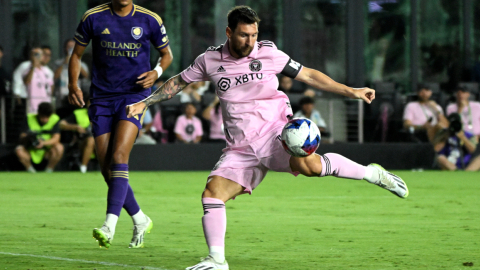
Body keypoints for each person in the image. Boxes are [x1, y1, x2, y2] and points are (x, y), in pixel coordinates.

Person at [126, 6, 408, 270]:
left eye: (254, 35)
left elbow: (308, 75)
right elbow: (178, 82)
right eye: (244, 35)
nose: (250, 41)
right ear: (229, 32)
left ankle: (373, 174)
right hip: (240, 148)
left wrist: (351, 91)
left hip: (278, 135)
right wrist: (146, 103)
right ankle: (217, 260)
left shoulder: (269, 54)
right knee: (212, 194)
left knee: (311, 167)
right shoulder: (209, 60)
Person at [68, 0, 173, 249]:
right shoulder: (93, 17)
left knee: (118, 156)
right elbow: (76, 55)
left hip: (134, 96)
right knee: (107, 170)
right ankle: (140, 218)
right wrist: (72, 84)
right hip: (102, 98)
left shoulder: (150, 19)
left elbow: (166, 55)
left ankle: (109, 225)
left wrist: (157, 72)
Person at [15, 102, 63, 173]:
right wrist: (30, 138)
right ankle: (31, 170)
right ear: (38, 113)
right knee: (19, 150)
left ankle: (49, 170)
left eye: (47, 117)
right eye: (43, 117)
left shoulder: (55, 119)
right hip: (30, 148)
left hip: (46, 150)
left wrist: (43, 143)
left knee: (59, 148)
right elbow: (22, 136)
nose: (45, 120)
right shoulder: (29, 118)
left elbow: (56, 138)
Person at [14, 45, 54, 114]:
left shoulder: (47, 71)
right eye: (35, 54)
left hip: (44, 104)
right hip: (30, 105)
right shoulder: (26, 67)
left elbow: (50, 87)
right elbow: (26, 81)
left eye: (39, 54)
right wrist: (33, 66)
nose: (37, 57)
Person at [59, 97, 95, 173]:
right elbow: (61, 124)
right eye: (90, 103)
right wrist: (75, 127)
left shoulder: (104, 114)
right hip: (81, 142)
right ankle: (83, 168)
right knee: (91, 140)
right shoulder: (78, 113)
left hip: (100, 144)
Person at [54, 39, 89, 107]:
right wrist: (65, 62)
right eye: (69, 47)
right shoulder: (58, 63)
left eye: (73, 47)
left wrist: (75, 62)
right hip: (61, 97)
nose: (71, 49)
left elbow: (86, 76)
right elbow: (55, 76)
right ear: (65, 48)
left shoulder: (82, 64)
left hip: (75, 95)